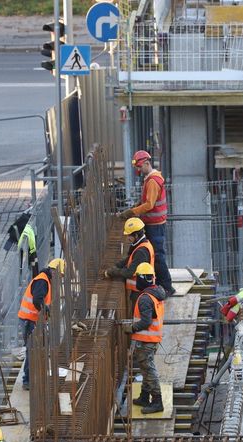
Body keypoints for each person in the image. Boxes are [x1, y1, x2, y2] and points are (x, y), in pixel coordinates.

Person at [118, 150, 174, 296]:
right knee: (154, 255)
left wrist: (131, 212)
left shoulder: (153, 181)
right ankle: (160, 284)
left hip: (155, 225)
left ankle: (167, 287)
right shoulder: (149, 179)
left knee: (158, 256)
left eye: (139, 167)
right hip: (152, 223)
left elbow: (149, 205)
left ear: (147, 163)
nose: (138, 170)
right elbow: (145, 200)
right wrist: (135, 207)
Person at [123, 262, 166, 414]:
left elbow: (146, 321)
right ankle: (144, 396)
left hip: (147, 341)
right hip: (152, 340)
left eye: (137, 279)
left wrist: (132, 328)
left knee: (149, 371)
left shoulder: (145, 298)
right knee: (145, 369)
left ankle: (157, 401)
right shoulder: (156, 293)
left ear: (142, 279)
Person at [18, 257, 66, 390]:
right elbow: (37, 300)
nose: (60, 279)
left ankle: (34, 377)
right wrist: (46, 310)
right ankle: (28, 380)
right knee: (32, 350)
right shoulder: (42, 281)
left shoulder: (46, 280)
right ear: (54, 271)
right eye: (60, 276)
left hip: (33, 320)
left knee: (38, 348)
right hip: (29, 320)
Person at [103, 217, 155, 305]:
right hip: (142, 288)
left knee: (137, 313)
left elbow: (129, 272)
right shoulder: (142, 244)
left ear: (136, 235)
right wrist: (117, 265)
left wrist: (112, 272)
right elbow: (130, 258)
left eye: (129, 235)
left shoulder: (141, 252)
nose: (127, 238)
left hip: (141, 291)